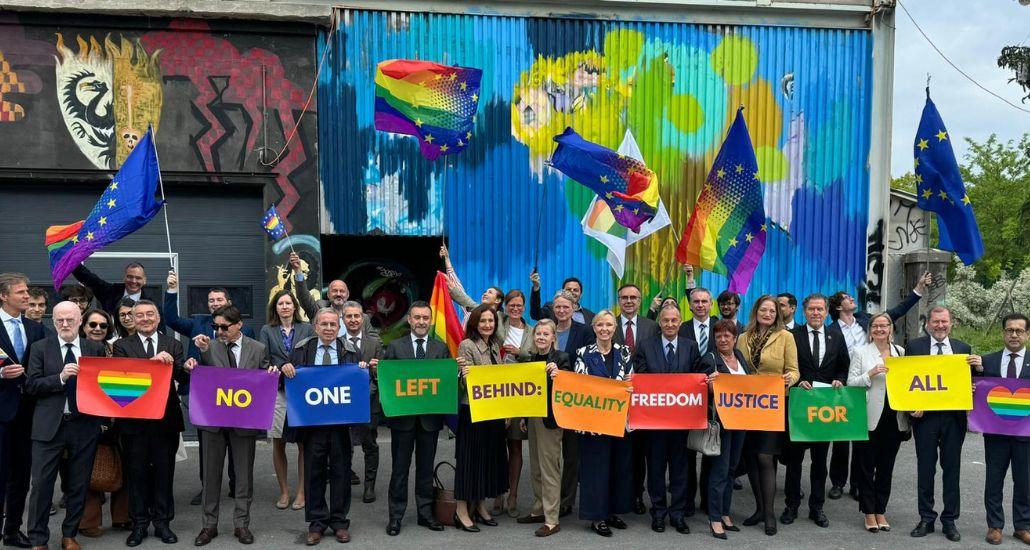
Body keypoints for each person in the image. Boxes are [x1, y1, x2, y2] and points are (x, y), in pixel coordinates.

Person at [826, 271, 931, 500]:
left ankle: (857, 485)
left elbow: (896, 312)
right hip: (846, 386)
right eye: (846, 297)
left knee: (864, 442)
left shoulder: (866, 320)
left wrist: (919, 289)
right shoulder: (831, 331)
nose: (852, 299)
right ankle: (837, 482)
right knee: (842, 439)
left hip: (874, 389)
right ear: (837, 306)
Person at [185, 305, 275, 546]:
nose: (220, 331)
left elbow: (264, 379)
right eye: (216, 327)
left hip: (244, 422)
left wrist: (271, 371)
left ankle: (241, 524)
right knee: (211, 475)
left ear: (239, 325)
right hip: (213, 422)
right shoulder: (207, 346)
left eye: (224, 327)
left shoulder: (258, 349)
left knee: (244, 475)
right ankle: (208, 525)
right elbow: (199, 373)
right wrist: (194, 361)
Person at [164, 273, 253, 505]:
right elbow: (171, 319)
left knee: (236, 442)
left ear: (229, 302)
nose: (215, 303)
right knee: (207, 444)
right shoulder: (198, 323)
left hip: (236, 397)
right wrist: (172, 289)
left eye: (219, 300)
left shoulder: (244, 330)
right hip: (205, 397)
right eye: (211, 300)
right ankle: (207, 489)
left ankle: (236, 486)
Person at [24, 301, 106, 550]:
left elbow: (105, 387)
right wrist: (60, 378)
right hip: (49, 425)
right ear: (54, 321)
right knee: (41, 485)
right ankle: (38, 539)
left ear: (80, 320)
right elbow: (31, 386)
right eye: (59, 319)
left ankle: (70, 534)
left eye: (70, 319)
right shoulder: (40, 347)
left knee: (79, 483)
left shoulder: (95, 347)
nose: (65, 324)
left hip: (84, 425)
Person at [280, 307, 364, 545]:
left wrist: (363, 371)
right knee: (314, 472)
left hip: (340, 423)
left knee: (341, 471)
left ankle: (339, 522)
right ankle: (316, 523)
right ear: (315, 327)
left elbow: (357, 385)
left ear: (340, 328)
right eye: (324, 324)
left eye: (333, 325)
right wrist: (286, 370)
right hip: (312, 423)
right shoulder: (300, 349)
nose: (328, 328)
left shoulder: (350, 351)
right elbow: (286, 381)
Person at [112, 299, 188, 547]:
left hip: (166, 420)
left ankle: (163, 523)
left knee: (165, 474)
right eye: (140, 315)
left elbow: (179, 377)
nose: (145, 319)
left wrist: (181, 366)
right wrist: (154, 362)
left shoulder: (174, 344)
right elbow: (125, 379)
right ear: (132, 319)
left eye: (150, 314)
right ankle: (139, 524)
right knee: (136, 474)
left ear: (158, 318)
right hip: (133, 422)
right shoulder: (122, 346)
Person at [906, 306, 981, 542]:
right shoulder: (915, 347)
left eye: (944, 322)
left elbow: (970, 382)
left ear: (951, 323)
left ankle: (950, 520)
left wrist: (974, 380)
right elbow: (906, 380)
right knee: (925, 469)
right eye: (936, 322)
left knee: (952, 470)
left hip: (953, 418)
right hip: (925, 418)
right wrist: (911, 406)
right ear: (928, 323)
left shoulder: (962, 350)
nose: (940, 326)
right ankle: (926, 517)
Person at [782, 294, 849, 528]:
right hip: (799, 406)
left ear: (826, 311)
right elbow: (787, 367)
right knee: (794, 460)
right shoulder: (792, 336)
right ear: (804, 311)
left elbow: (843, 366)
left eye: (820, 309)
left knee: (820, 461)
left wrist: (840, 381)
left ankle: (817, 507)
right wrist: (796, 381)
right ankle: (791, 505)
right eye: (811, 309)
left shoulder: (836, 336)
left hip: (824, 408)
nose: (816, 313)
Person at [382, 302, 448, 536]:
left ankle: (425, 514)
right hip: (403, 420)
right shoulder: (394, 347)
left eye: (425, 318)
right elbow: (386, 382)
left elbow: (445, 384)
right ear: (409, 320)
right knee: (400, 469)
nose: (421, 322)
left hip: (429, 421)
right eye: (417, 317)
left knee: (425, 468)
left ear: (430, 321)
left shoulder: (441, 349)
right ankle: (396, 517)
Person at [633, 304, 701, 535]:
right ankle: (659, 513)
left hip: (682, 423)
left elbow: (697, 375)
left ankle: (678, 514)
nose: (670, 324)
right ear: (659, 323)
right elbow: (640, 377)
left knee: (681, 470)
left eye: (674, 320)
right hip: (654, 423)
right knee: (656, 469)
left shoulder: (691, 347)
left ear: (680, 323)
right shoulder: (645, 346)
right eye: (666, 320)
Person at [737, 295, 799, 536]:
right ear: (756, 312)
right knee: (752, 456)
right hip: (747, 405)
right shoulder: (743, 337)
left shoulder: (786, 337)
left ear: (777, 315)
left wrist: (789, 379)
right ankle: (759, 509)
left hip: (773, 403)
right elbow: (738, 368)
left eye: (772, 311)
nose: (768, 314)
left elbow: (794, 370)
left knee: (765, 456)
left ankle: (770, 513)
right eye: (764, 310)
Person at [847, 313, 909, 534]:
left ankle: (881, 509)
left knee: (886, 467)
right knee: (866, 467)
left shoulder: (900, 352)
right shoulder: (860, 352)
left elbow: (909, 383)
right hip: (869, 417)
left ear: (891, 329)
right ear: (870, 330)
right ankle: (868, 511)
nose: (880, 329)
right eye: (876, 326)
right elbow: (851, 383)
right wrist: (870, 374)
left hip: (894, 417)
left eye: (884, 325)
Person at [0, 273, 48, 549]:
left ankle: (12, 531)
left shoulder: (35, 328)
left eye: (27, 291)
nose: (27, 296)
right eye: (20, 292)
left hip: (29, 413)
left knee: (21, 477)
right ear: (4, 296)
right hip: (1, 414)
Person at [575, 310, 634, 537]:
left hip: (620, 422)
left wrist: (630, 384)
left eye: (609, 325)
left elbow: (630, 379)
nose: (605, 329)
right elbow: (580, 384)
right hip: (594, 424)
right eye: (600, 325)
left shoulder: (625, 352)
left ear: (615, 328)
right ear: (594, 327)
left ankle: (612, 511)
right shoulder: (583, 353)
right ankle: (596, 516)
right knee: (595, 471)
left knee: (618, 468)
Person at [453, 305, 509, 532]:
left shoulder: (495, 345)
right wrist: (465, 375)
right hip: (473, 412)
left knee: (487, 460)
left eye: (491, 321)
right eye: (483, 321)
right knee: (470, 461)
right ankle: (461, 510)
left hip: (493, 412)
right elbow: (466, 384)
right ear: (475, 323)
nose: (488, 325)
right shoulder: (467, 345)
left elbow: (502, 380)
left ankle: (480, 506)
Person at [77, 308, 130, 538]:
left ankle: (122, 517)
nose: (98, 329)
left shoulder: (116, 349)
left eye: (103, 325)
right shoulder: (75, 348)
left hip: (117, 414)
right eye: (93, 325)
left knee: (124, 464)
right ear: (84, 326)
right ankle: (88, 521)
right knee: (87, 470)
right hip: (84, 417)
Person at [259, 290, 313, 512]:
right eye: (280, 303)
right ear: (275, 308)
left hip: (302, 393)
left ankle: (301, 492)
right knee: (278, 442)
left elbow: (311, 356)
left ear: (294, 306)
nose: (284, 306)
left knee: (303, 444)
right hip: (278, 391)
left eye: (288, 303)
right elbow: (262, 360)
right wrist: (278, 367)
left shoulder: (306, 328)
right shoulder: (267, 330)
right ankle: (284, 491)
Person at [514, 320, 569, 537]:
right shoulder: (532, 358)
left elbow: (570, 385)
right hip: (534, 417)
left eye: (546, 334)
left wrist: (559, 374)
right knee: (535, 467)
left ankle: (552, 520)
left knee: (549, 470)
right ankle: (538, 509)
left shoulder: (561, 358)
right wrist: (525, 417)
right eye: (538, 334)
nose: (542, 337)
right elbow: (528, 391)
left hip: (551, 421)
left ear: (553, 337)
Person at [980, 313, 1030, 545]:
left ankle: (1022, 526)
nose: (1014, 335)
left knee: (1025, 481)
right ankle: (995, 525)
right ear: (1003, 333)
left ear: (1027, 334)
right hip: (996, 434)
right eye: (1010, 330)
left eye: (1019, 331)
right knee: (994, 480)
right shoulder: (987, 362)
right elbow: (976, 391)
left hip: (1026, 435)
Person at [702, 319, 753, 539]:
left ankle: (725, 512)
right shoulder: (710, 359)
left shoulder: (740, 356)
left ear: (735, 339)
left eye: (727, 336)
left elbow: (750, 385)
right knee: (720, 471)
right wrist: (710, 385)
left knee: (732, 469)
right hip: (721, 423)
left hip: (740, 422)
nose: (723, 340)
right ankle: (714, 518)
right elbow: (701, 388)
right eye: (719, 336)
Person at [550, 291, 594, 517]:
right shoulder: (546, 330)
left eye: (566, 307)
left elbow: (588, 362)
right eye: (557, 307)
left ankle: (566, 501)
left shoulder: (585, 332)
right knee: (550, 455)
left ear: (574, 308)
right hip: (548, 402)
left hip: (574, 402)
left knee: (571, 453)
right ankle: (550, 499)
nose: (561, 311)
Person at [614, 283, 657, 516]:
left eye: (634, 297)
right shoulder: (608, 325)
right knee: (620, 451)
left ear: (640, 301)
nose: (629, 301)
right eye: (625, 297)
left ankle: (638, 495)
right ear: (619, 300)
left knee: (639, 451)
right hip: (616, 398)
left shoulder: (652, 326)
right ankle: (620, 494)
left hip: (643, 400)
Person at [677, 286, 717, 514]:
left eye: (705, 301)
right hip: (687, 399)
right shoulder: (681, 329)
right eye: (697, 302)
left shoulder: (720, 328)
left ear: (711, 304)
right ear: (690, 305)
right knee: (688, 453)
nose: (701, 305)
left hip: (714, 399)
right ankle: (688, 500)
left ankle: (709, 500)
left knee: (711, 450)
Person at [341, 301, 383, 504]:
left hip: (369, 402)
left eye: (357, 316)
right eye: (349, 316)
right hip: (344, 403)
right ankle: (344, 483)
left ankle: (369, 486)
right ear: (343, 319)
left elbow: (382, 375)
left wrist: (375, 368)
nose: (353, 320)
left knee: (370, 445)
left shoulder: (374, 344)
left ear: (363, 318)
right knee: (344, 444)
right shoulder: (337, 342)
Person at [289, 253, 375, 337]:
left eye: (342, 291)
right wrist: (298, 271)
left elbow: (374, 342)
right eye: (334, 291)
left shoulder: (361, 317)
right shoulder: (319, 311)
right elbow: (303, 297)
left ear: (348, 295)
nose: (338, 294)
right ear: (328, 295)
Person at [72, 262, 157, 318]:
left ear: (144, 281)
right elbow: (88, 278)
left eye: (138, 278)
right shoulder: (110, 292)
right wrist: (70, 258)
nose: (133, 281)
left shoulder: (152, 304)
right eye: (130, 277)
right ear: (124, 278)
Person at [529, 272, 594, 325]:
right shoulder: (550, 308)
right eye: (568, 289)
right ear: (562, 291)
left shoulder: (590, 316)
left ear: (581, 294)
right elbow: (535, 314)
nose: (572, 292)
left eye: (575, 290)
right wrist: (536, 287)